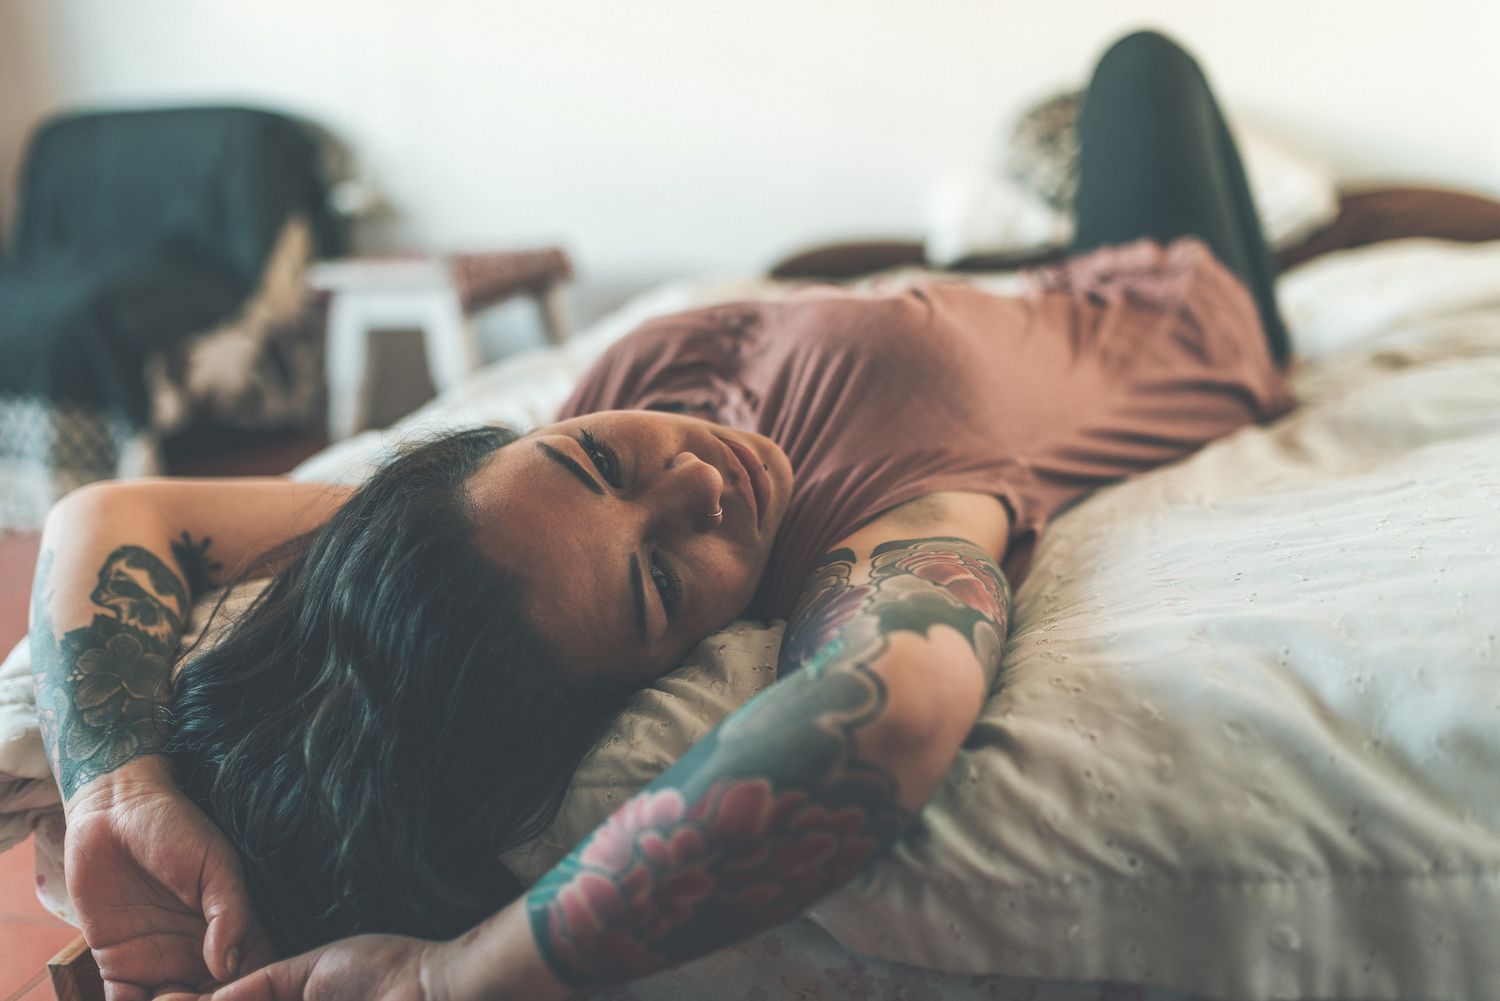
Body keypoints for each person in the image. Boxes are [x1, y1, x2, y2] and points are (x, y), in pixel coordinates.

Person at [27, 29, 1297, 1001]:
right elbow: (891, 713)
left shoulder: (488, 520)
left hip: (1019, 295)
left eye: (591, 461)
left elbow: (118, 511)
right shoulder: (871, 520)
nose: (701, 481)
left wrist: (116, 783)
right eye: (663, 585)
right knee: (1141, 63)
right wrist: (451, 975)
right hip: (1196, 300)